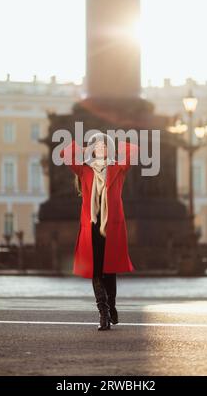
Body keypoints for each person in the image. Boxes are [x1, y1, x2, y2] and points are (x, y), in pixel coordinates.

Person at [59, 132, 139, 331]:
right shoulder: (84, 171)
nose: (101, 148)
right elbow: (64, 153)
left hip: (111, 227)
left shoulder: (117, 168)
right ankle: (103, 314)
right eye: (98, 146)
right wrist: (85, 148)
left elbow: (134, 150)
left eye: (104, 146)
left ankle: (112, 306)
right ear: (93, 149)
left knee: (109, 270)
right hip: (92, 226)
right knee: (96, 270)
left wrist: (111, 144)